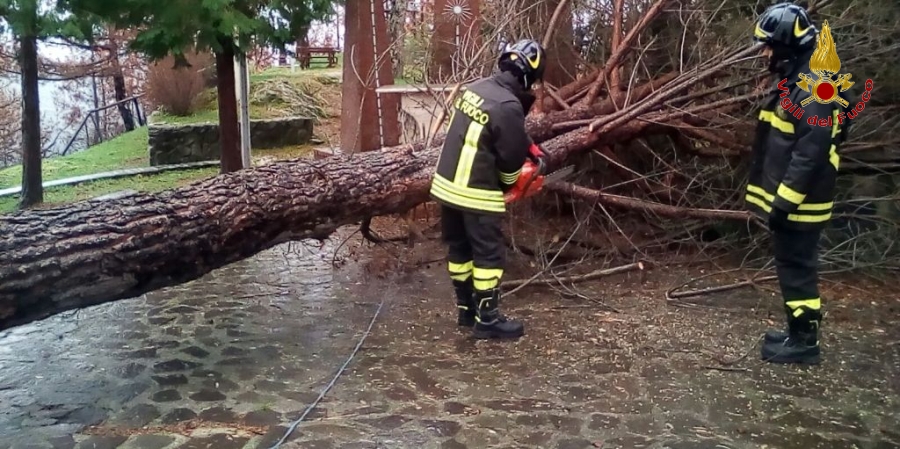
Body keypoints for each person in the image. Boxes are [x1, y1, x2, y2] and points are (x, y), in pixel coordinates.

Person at [747, 3, 847, 364]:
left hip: (802, 201)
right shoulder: (800, 76)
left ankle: (805, 343)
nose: (767, 53)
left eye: (771, 45)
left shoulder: (814, 85)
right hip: (798, 197)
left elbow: (811, 152)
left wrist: (785, 202)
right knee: (793, 267)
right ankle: (797, 331)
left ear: (790, 43)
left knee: (797, 269)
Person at [428, 39, 547, 340]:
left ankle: (466, 311)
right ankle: (489, 320)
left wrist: (528, 144)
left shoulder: (477, 88)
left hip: (446, 185)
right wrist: (512, 186)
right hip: (476, 191)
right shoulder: (508, 105)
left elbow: (494, 127)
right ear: (527, 76)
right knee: (489, 256)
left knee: (460, 249)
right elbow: (508, 163)